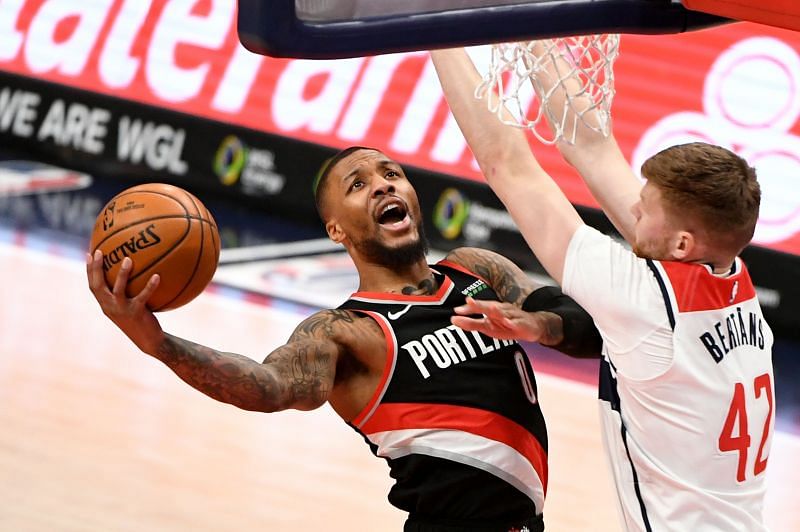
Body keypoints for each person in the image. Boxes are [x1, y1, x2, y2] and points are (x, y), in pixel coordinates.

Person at [87, 145, 602, 532]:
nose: (383, 186)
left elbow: (580, 325)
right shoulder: (345, 332)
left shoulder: (477, 270)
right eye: (358, 185)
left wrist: (541, 326)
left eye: (391, 174)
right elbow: (268, 386)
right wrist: (157, 343)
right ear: (336, 230)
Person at [431, 47, 775, 531]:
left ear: (681, 243)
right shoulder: (731, 275)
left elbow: (505, 165)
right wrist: (533, 39)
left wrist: (439, 31)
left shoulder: (647, 301)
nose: (634, 212)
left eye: (646, 208)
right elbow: (592, 146)